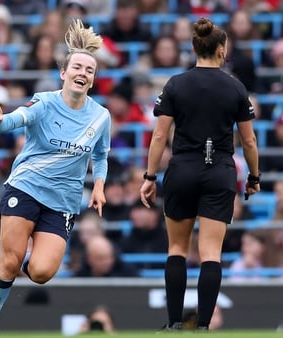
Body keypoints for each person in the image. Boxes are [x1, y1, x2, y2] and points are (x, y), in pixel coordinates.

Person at [0, 19, 111, 336]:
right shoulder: (44, 101)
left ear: (92, 79)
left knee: (40, 271)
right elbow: (14, 121)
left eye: (89, 70)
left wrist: (100, 185)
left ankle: (18, 272)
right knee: (8, 262)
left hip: (62, 201)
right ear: (64, 73)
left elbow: (101, 156)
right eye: (77, 67)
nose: (82, 73)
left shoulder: (100, 116)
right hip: (25, 187)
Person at [139, 17, 260, 332]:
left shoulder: (176, 84)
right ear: (222, 51)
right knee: (211, 253)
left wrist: (150, 177)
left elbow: (159, 137)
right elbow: (248, 140)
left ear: (194, 47)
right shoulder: (235, 86)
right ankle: (204, 325)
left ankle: (174, 323)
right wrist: (254, 177)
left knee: (177, 249)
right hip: (219, 170)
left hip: (183, 169)